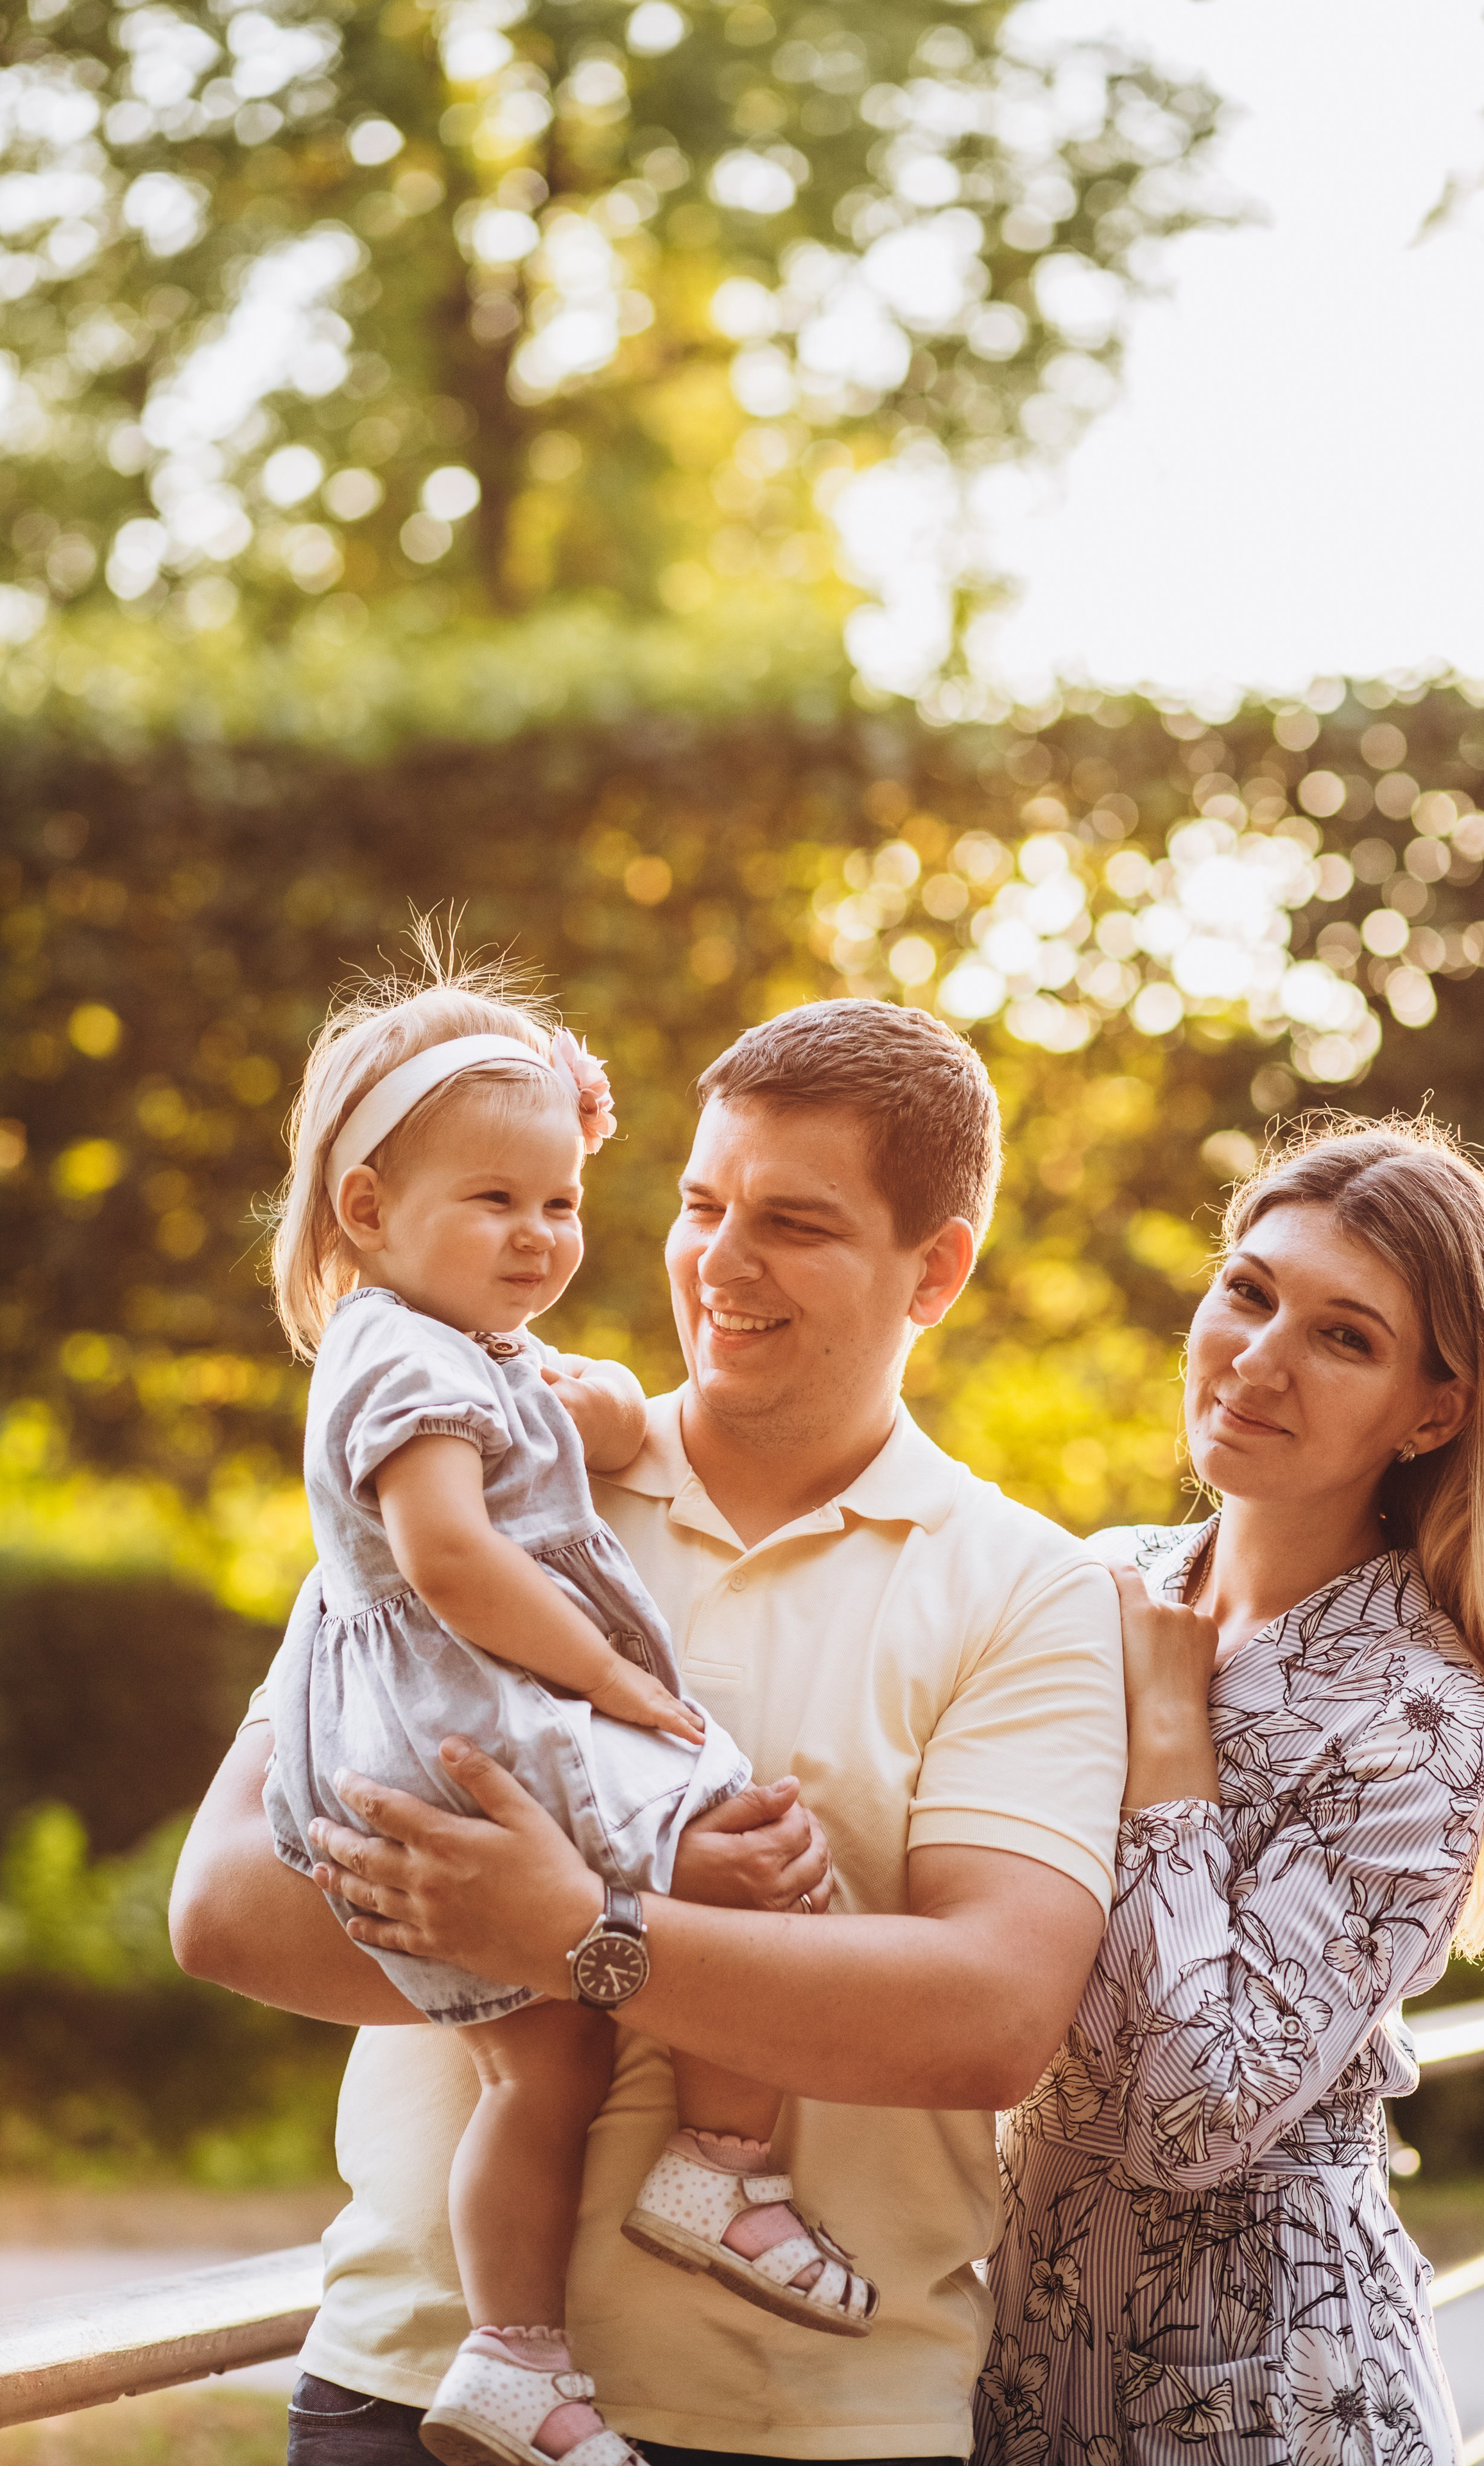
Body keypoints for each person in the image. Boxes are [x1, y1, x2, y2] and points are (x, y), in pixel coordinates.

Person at [171, 996, 1127, 2466]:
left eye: (793, 1223)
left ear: (933, 1269)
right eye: (698, 1202)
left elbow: (987, 2015)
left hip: (807, 2424)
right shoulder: (479, 1472)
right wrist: (640, 1941)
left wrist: (577, 1935)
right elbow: (229, 1907)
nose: (719, 1261)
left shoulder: (1028, 1588)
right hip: (409, 2396)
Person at [259, 962, 882, 2466]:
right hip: (493, 1722)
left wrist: (595, 1408)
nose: (539, 1237)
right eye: (497, 1202)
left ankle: (515, 2355)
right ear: (363, 1212)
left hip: (457, 1729)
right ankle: (723, 2165)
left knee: (546, 2064)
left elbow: (568, 1417)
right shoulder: (402, 1353)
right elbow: (453, 1553)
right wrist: (611, 1677)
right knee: (753, 1855)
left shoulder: (448, 1348)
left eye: (560, 1203)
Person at [972, 1117, 1484, 2466]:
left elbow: (1194, 2112)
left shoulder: (1419, 1714)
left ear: (1431, 1411)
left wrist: (1164, 1731)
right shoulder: (1101, 1571)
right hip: (1009, 2336)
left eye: (1344, 1335)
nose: (1256, 1356)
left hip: (1253, 2383)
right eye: (1247, 1290)